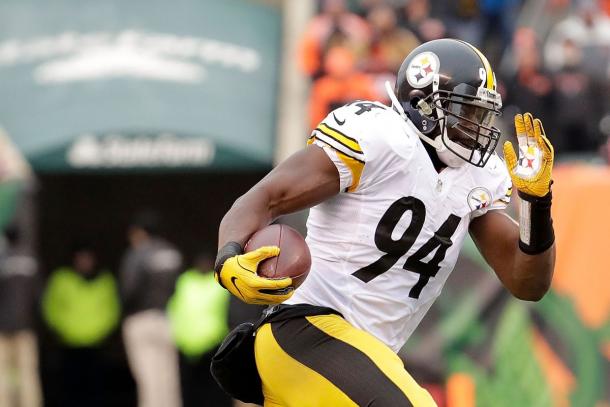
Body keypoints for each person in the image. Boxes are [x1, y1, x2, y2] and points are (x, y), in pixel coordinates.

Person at [214, 39, 556, 406]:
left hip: (362, 358)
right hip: (306, 331)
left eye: (480, 116)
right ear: (425, 106)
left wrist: (537, 203)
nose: (476, 127)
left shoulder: (475, 177)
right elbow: (265, 197)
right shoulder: (381, 137)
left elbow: (527, 282)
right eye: (466, 113)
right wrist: (228, 257)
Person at [41, 242, 120, 407]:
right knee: (70, 385)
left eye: (88, 259)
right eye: (81, 259)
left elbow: (112, 309)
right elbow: (51, 307)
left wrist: (101, 330)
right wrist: (62, 328)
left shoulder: (105, 281)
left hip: (96, 343)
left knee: (95, 385)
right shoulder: (62, 279)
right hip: (68, 343)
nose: (84, 263)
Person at [119, 211, 182, 407]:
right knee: (168, 377)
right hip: (166, 319)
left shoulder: (136, 254)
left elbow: (128, 290)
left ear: (139, 232)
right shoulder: (172, 253)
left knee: (148, 379)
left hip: (140, 320)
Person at [167, 253, 231, 407]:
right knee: (192, 390)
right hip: (187, 345)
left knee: (213, 390)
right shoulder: (185, 281)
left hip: (212, 344)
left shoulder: (217, 282)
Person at [0, 225, 41, 407]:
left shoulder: (2, 259)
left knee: (3, 373)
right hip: (26, 325)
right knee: (27, 374)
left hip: (2, 326)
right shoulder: (31, 260)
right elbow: (39, 295)